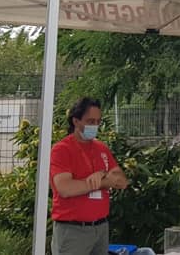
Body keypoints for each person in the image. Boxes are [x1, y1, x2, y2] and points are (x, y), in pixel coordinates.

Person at [50, 97, 129, 255]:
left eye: (98, 122)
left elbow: (122, 181)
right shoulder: (62, 150)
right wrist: (103, 182)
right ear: (76, 121)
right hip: (73, 230)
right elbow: (65, 188)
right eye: (90, 121)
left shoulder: (101, 148)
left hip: (100, 228)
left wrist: (102, 175)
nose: (95, 126)